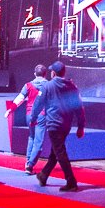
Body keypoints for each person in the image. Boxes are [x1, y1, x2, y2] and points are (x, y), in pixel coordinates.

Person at [30, 61, 86, 192]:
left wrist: (33, 118)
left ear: (53, 73)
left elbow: (38, 104)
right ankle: (43, 175)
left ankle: (71, 181)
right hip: (66, 125)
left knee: (60, 152)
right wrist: (80, 126)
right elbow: (79, 108)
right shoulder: (72, 86)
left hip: (54, 124)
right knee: (55, 151)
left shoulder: (48, 86)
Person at [6, 64, 51, 174]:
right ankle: (30, 165)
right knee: (38, 141)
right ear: (45, 74)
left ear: (35, 74)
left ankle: (28, 162)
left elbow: (20, 98)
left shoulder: (28, 85)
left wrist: (10, 109)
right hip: (42, 115)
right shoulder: (49, 86)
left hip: (29, 115)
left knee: (31, 137)